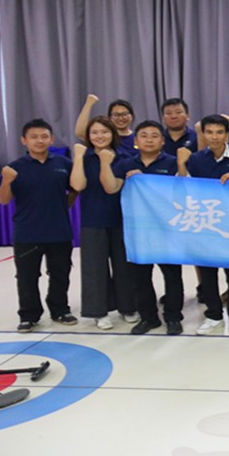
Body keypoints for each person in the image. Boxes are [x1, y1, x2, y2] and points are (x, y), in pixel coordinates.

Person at [0, 119, 78, 333]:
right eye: (34, 137)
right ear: (24, 140)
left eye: (44, 136)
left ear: (51, 139)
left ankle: (60, 310)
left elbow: (75, 189)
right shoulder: (14, 167)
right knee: (27, 277)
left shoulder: (63, 164)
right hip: (27, 233)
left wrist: (63, 206)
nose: (39, 141)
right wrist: (6, 181)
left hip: (59, 231)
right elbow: (3, 200)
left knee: (60, 274)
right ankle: (29, 315)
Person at [179, 114, 229, 336]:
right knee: (207, 273)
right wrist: (181, 164)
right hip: (205, 223)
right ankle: (213, 315)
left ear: (227, 134)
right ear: (203, 135)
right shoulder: (195, 159)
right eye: (209, 132)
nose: (214, 137)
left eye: (219, 132)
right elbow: (184, 189)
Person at [114, 121, 186, 335]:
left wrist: (182, 165)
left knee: (172, 277)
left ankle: (173, 317)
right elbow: (111, 188)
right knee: (140, 277)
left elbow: (184, 190)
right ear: (136, 141)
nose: (149, 140)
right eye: (144, 136)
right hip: (138, 230)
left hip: (168, 229)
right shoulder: (125, 164)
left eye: (154, 136)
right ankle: (149, 318)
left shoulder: (172, 163)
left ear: (162, 141)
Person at [71, 116, 138, 330]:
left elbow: (112, 188)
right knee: (94, 268)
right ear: (88, 136)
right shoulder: (84, 156)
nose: (100, 136)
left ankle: (128, 307)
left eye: (105, 131)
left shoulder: (125, 157)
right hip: (93, 219)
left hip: (121, 219)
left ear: (113, 134)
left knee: (124, 266)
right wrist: (78, 157)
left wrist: (105, 163)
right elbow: (78, 186)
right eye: (95, 132)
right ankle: (98, 312)